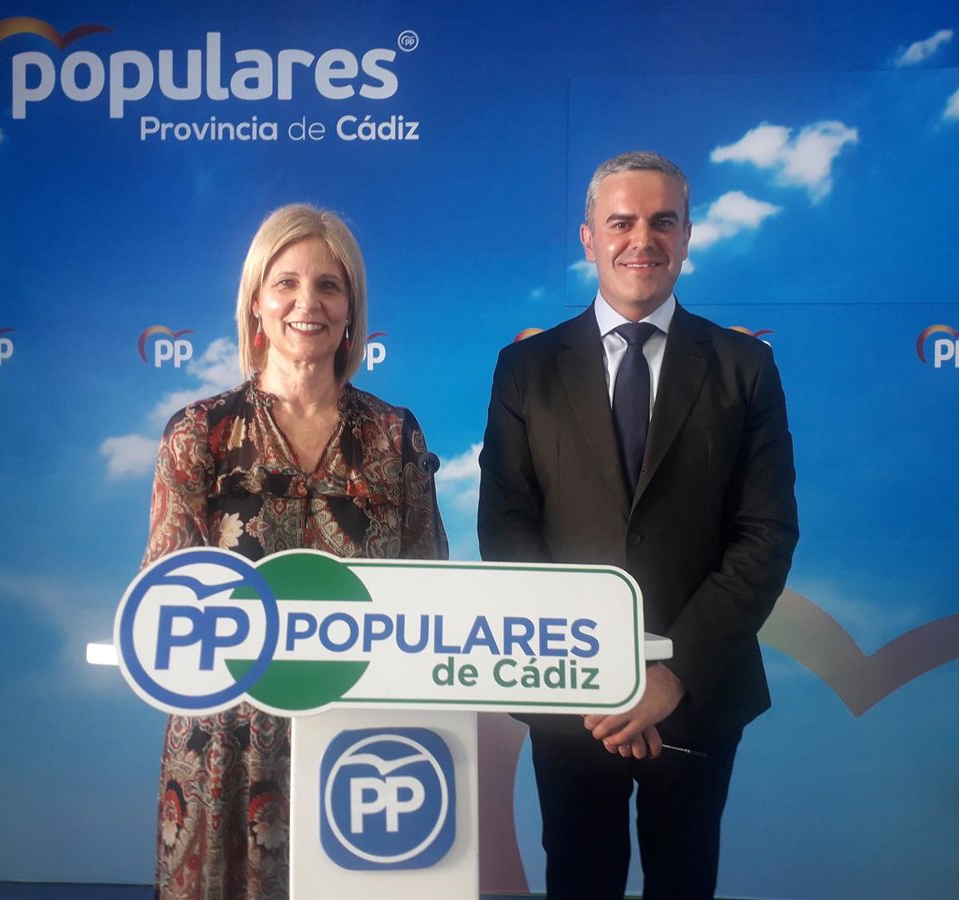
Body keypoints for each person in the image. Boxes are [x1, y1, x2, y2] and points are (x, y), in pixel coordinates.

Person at [478, 151, 798, 900]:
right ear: (589, 237)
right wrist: (596, 678)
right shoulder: (525, 370)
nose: (641, 240)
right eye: (621, 222)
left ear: (687, 236)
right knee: (578, 880)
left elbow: (765, 533)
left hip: (700, 694)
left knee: (683, 883)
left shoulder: (745, 367)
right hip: (572, 700)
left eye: (663, 221)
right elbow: (509, 530)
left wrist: (672, 676)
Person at [143, 203, 448, 899]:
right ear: (256, 301)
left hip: (361, 744)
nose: (307, 302)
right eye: (285, 282)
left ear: (351, 310)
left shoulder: (395, 436)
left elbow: (431, 585)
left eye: (328, 285)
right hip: (224, 747)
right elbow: (164, 599)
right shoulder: (199, 434)